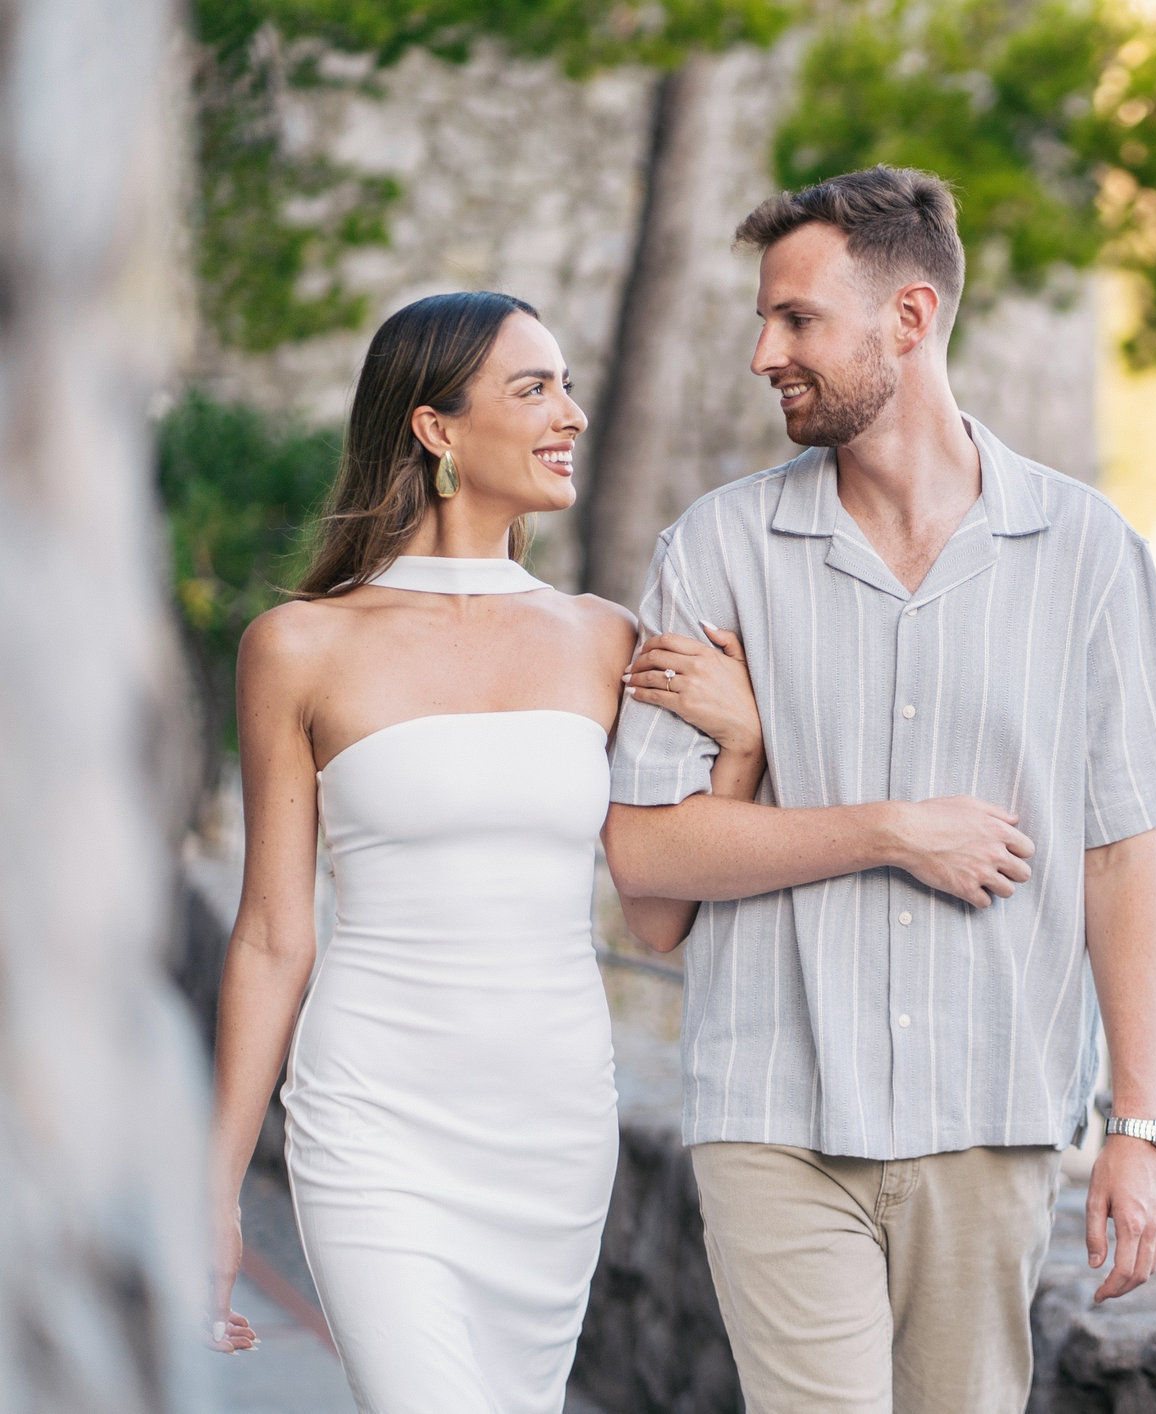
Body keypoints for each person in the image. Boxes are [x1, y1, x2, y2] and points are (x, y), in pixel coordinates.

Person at [602, 165, 1156, 1412]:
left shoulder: (1087, 551)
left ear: (910, 318)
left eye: (795, 320)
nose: (762, 354)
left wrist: (1140, 1126)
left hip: (992, 1113)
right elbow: (647, 860)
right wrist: (892, 829)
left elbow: (1121, 853)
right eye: (762, 319)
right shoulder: (716, 552)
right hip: (773, 1109)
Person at [200, 291, 765, 1411]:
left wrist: (741, 746)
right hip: (373, 1118)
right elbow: (272, 933)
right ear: (436, 429)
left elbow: (656, 913)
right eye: (535, 387)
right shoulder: (299, 646)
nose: (574, 412)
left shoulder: (607, 637)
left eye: (566, 383)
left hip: (550, 1124)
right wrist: (213, 1186)